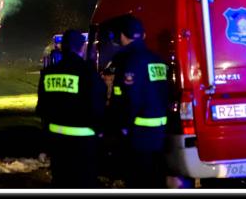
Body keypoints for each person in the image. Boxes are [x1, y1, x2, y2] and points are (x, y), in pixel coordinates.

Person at [36, 29, 107, 188]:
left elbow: (42, 109)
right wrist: (101, 132)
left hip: (57, 142)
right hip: (83, 143)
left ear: (62, 47)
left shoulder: (48, 73)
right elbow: (97, 105)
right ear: (82, 47)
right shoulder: (88, 73)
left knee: (61, 182)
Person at [107, 15, 170, 188]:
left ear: (122, 36)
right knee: (156, 179)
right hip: (160, 132)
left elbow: (130, 98)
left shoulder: (130, 60)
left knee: (138, 180)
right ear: (143, 35)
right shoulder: (157, 59)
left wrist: (123, 126)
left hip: (139, 134)